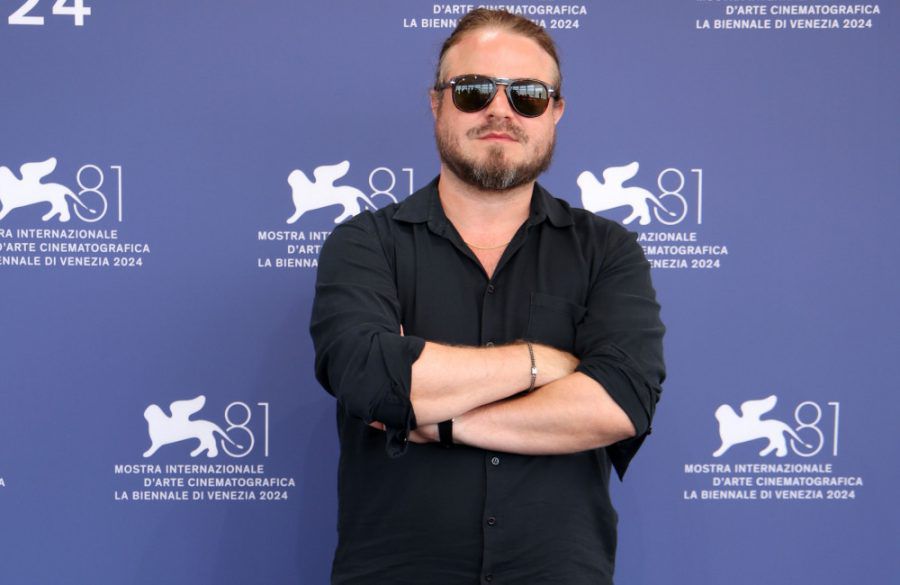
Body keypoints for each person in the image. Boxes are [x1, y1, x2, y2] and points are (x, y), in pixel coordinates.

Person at [310, 9, 665, 584]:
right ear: (436, 102)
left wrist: (438, 420)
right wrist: (539, 364)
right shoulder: (365, 243)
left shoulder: (607, 250)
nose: (500, 109)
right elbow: (373, 380)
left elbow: (619, 403)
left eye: (527, 94)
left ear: (555, 112)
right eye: (473, 90)